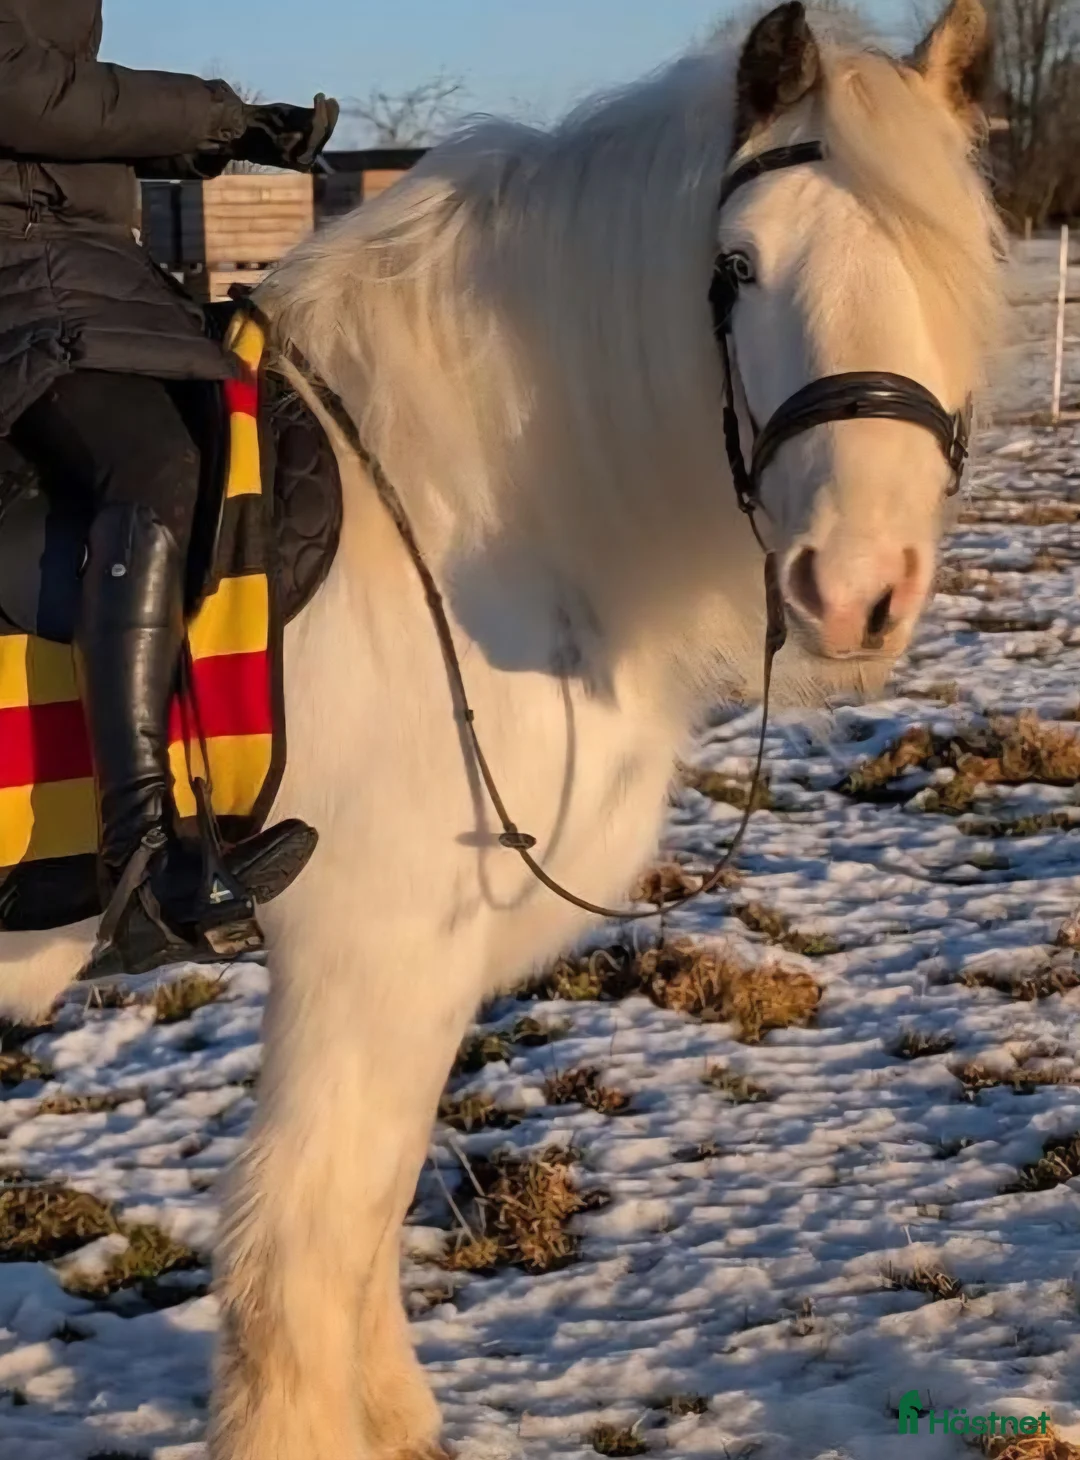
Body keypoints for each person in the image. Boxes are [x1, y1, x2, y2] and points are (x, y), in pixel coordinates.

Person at [0, 1, 339, 971]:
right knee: (150, 467)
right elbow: (24, 92)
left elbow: (51, 135)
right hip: (24, 266)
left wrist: (233, 138)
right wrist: (215, 117)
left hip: (74, 254)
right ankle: (141, 850)